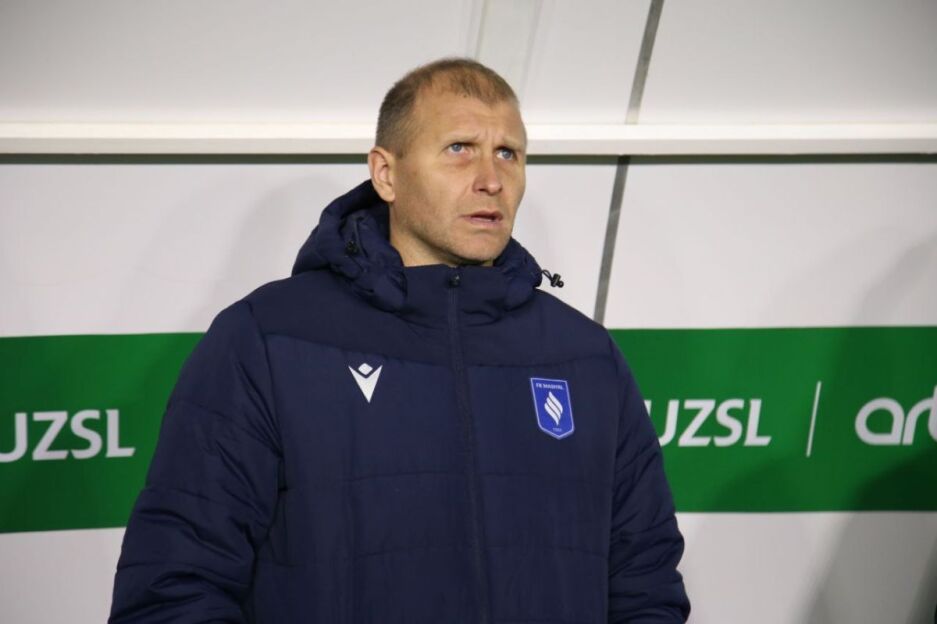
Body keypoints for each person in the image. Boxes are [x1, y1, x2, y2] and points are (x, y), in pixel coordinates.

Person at [110, 57, 690, 623]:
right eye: (459, 148)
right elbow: (175, 586)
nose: (491, 180)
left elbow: (646, 585)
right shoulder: (267, 338)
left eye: (508, 153)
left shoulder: (584, 355)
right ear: (386, 174)